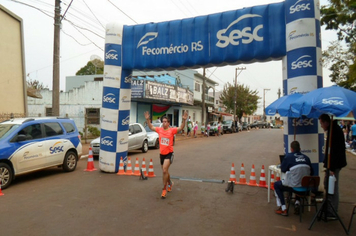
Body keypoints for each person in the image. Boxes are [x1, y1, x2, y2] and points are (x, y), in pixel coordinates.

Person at [144, 110, 188, 199]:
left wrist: (184, 120)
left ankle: (164, 189)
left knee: (164, 170)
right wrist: (148, 119)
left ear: (168, 123)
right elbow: (151, 127)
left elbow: (181, 128)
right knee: (165, 172)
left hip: (169, 153)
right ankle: (170, 183)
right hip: (162, 154)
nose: (163, 123)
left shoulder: (171, 130)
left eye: (165, 122)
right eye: (163, 121)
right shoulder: (159, 130)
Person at [274, 141, 314, 216]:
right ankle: (297, 203)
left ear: (291, 149)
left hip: (295, 186)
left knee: (277, 185)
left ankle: (283, 208)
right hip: (306, 187)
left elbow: (283, 169)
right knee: (299, 179)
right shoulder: (307, 158)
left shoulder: (289, 157)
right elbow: (312, 172)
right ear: (300, 149)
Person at [319, 114, 347, 219]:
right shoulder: (333, 131)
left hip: (335, 165)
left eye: (321, 123)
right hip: (332, 164)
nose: (321, 125)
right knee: (328, 184)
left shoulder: (334, 132)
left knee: (333, 187)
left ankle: (333, 210)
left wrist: (331, 168)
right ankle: (329, 207)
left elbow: (335, 152)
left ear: (326, 122)